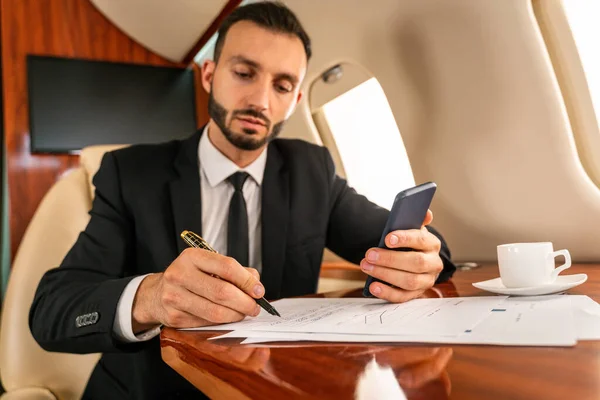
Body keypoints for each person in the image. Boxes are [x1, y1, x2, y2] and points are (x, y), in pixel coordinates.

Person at [29, 2, 456, 399]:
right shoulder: (132, 174)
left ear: (296, 101)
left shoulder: (312, 171)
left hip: (273, 388)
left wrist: (422, 257)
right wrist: (152, 297)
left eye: (282, 85)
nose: (260, 101)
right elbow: (52, 309)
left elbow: (406, 244)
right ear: (210, 74)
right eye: (244, 73)